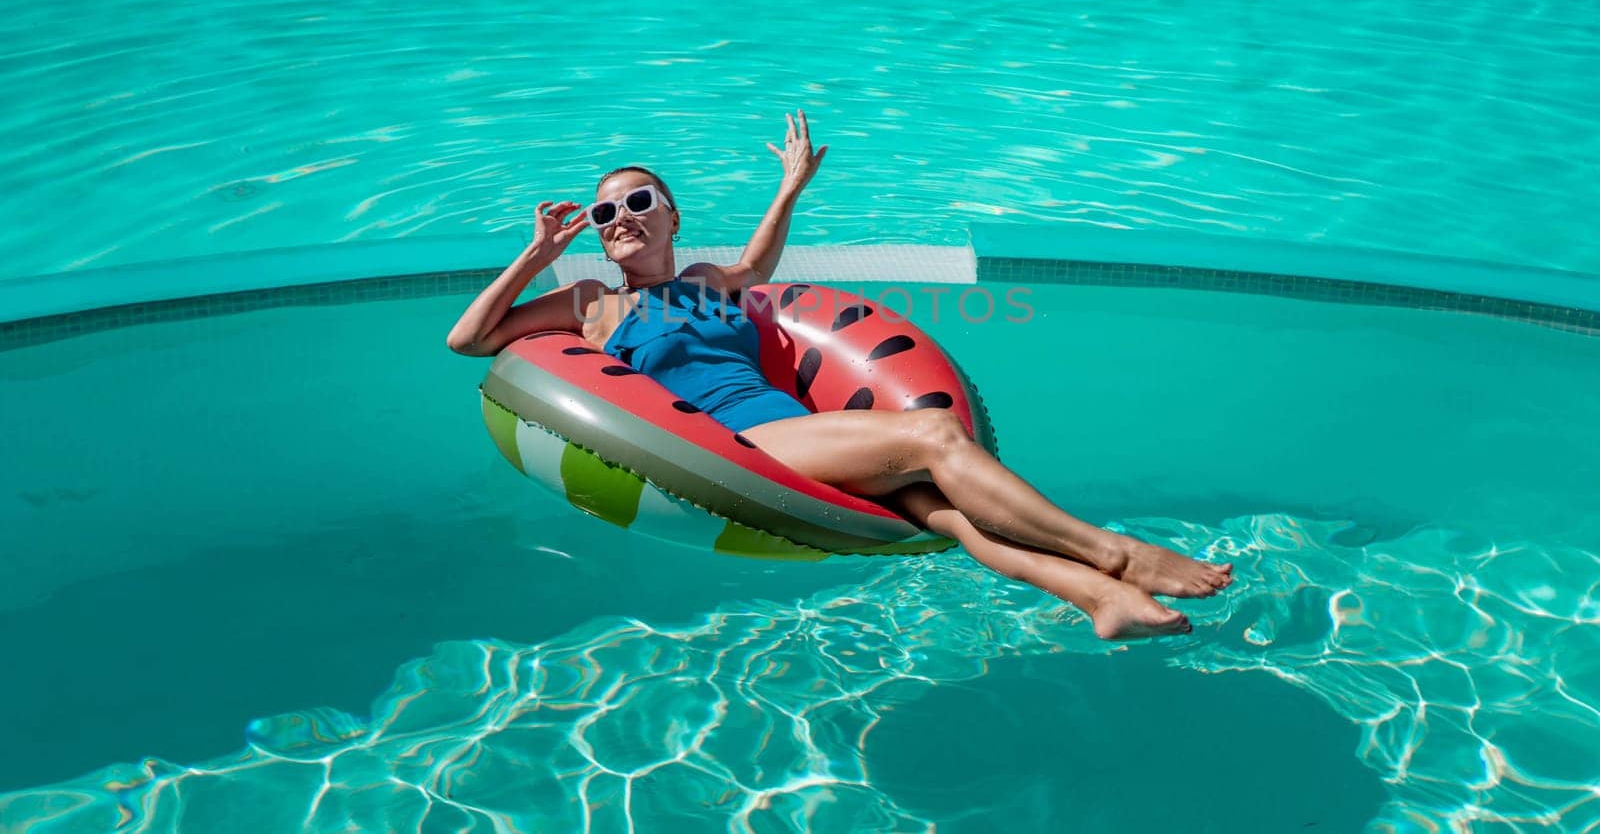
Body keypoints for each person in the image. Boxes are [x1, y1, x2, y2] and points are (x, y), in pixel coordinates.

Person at [448, 111, 1234, 639]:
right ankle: (1116, 553)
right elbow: (469, 339)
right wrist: (538, 256)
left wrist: (791, 183)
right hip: (744, 444)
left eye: (637, 201)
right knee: (932, 433)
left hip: (803, 431)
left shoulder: (706, 279)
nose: (620, 219)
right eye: (603, 213)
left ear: (671, 214)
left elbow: (760, 261)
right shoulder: (593, 306)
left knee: (944, 514)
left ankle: (1101, 599)